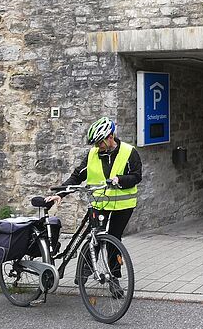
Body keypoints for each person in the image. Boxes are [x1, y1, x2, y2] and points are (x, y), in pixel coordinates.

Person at [45, 116, 142, 293]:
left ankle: (114, 279)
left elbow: (137, 176)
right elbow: (77, 175)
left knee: (114, 240)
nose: (98, 146)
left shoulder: (129, 152)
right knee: (95, 236)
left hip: (124, 205)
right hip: (99, 203)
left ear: (110, 137)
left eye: (100, 142)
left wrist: (120, 180)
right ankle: (85, 270)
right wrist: (61, 194)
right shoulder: (92, 154)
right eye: (96, 143)